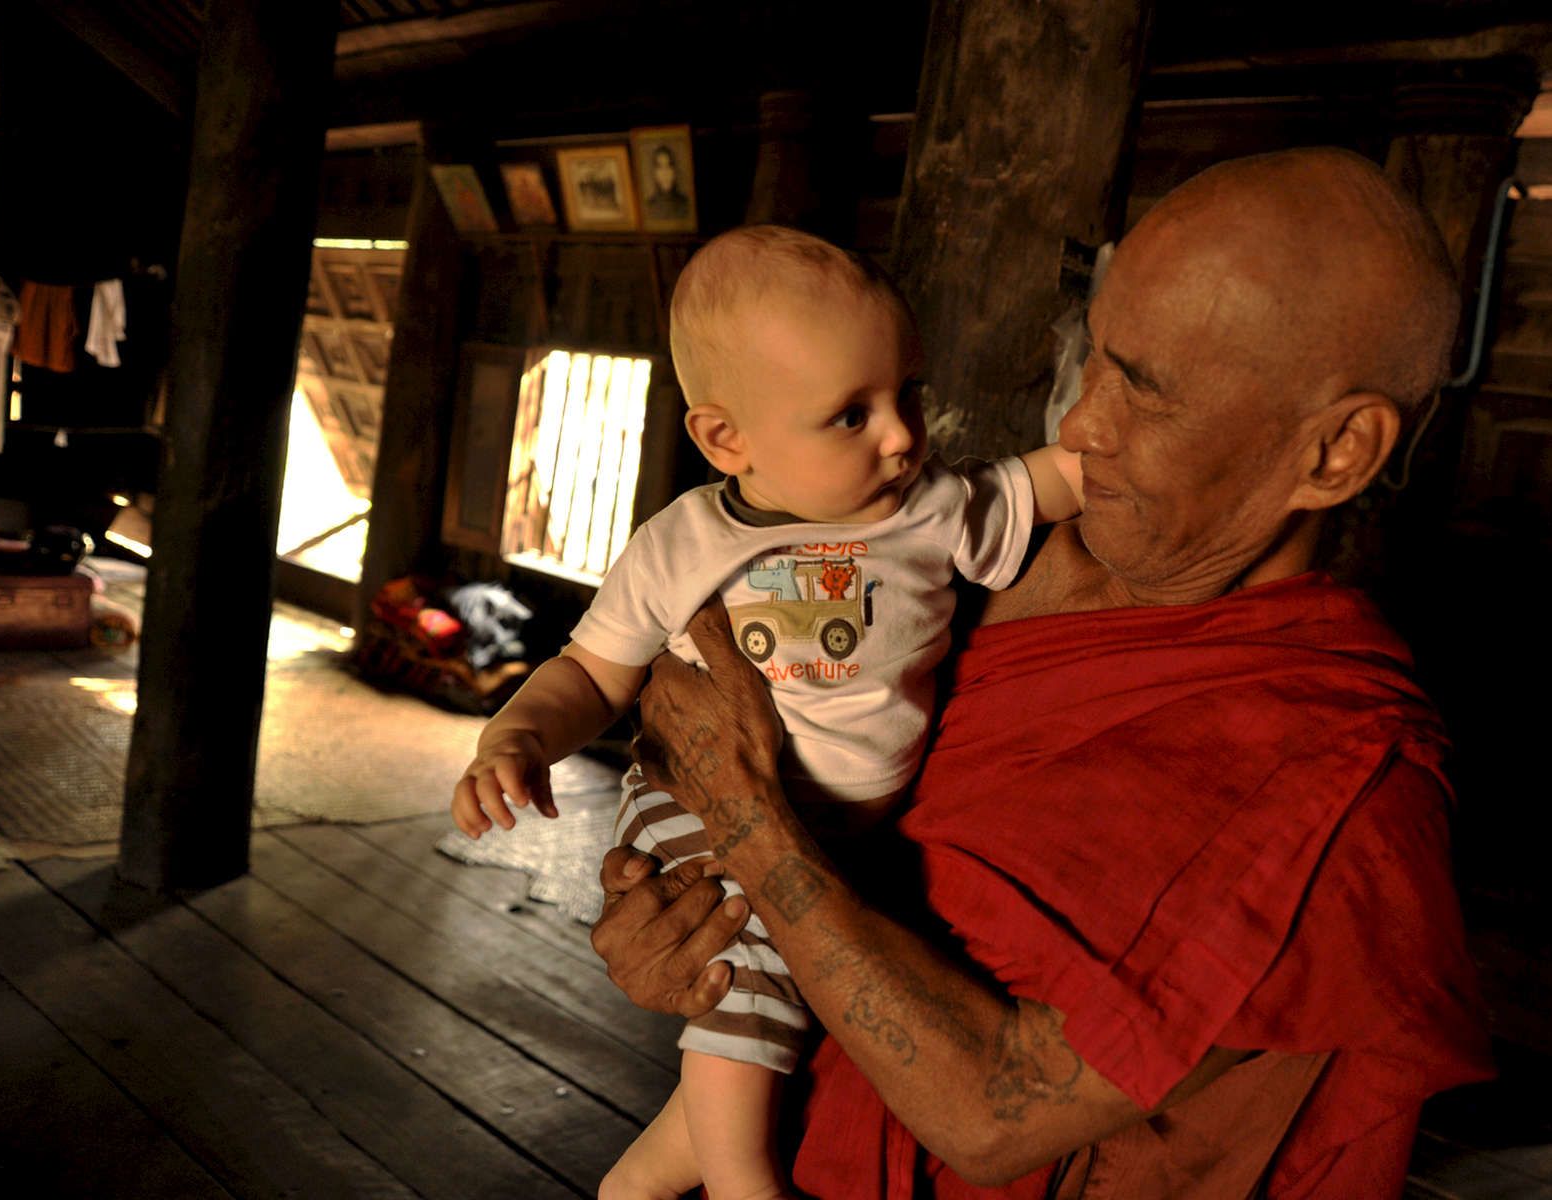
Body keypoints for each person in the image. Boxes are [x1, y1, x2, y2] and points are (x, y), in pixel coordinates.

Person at [590, 146, 1495, 1199]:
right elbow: (785, 813)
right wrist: (685, 926)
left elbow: (988, 1114)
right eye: (1098, 358)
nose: (1079, 425)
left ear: (1335, 454)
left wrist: (745, 817)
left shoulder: (1343, 792)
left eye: (1146, 394)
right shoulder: (976, 562)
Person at [450, 224, 1083, 1200]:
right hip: (696, 805)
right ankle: (744, 1181)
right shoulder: (684, 544)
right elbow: (593, 670)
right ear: (724, 439)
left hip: (844, 831)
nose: (903, 433)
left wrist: (1114, 455)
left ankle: (647, 1176)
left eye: (907, 393)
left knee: (790, 991)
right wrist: (521, 735)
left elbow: (1049, 481)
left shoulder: (928, 506)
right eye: (851, 415)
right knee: (746, 967)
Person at [644, 145, 692, 224]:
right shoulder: (649, 206)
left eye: (668, 166)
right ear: (654, 173)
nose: (665, 173)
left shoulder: (685, 203)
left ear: (674, 171)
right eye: (660, 167)